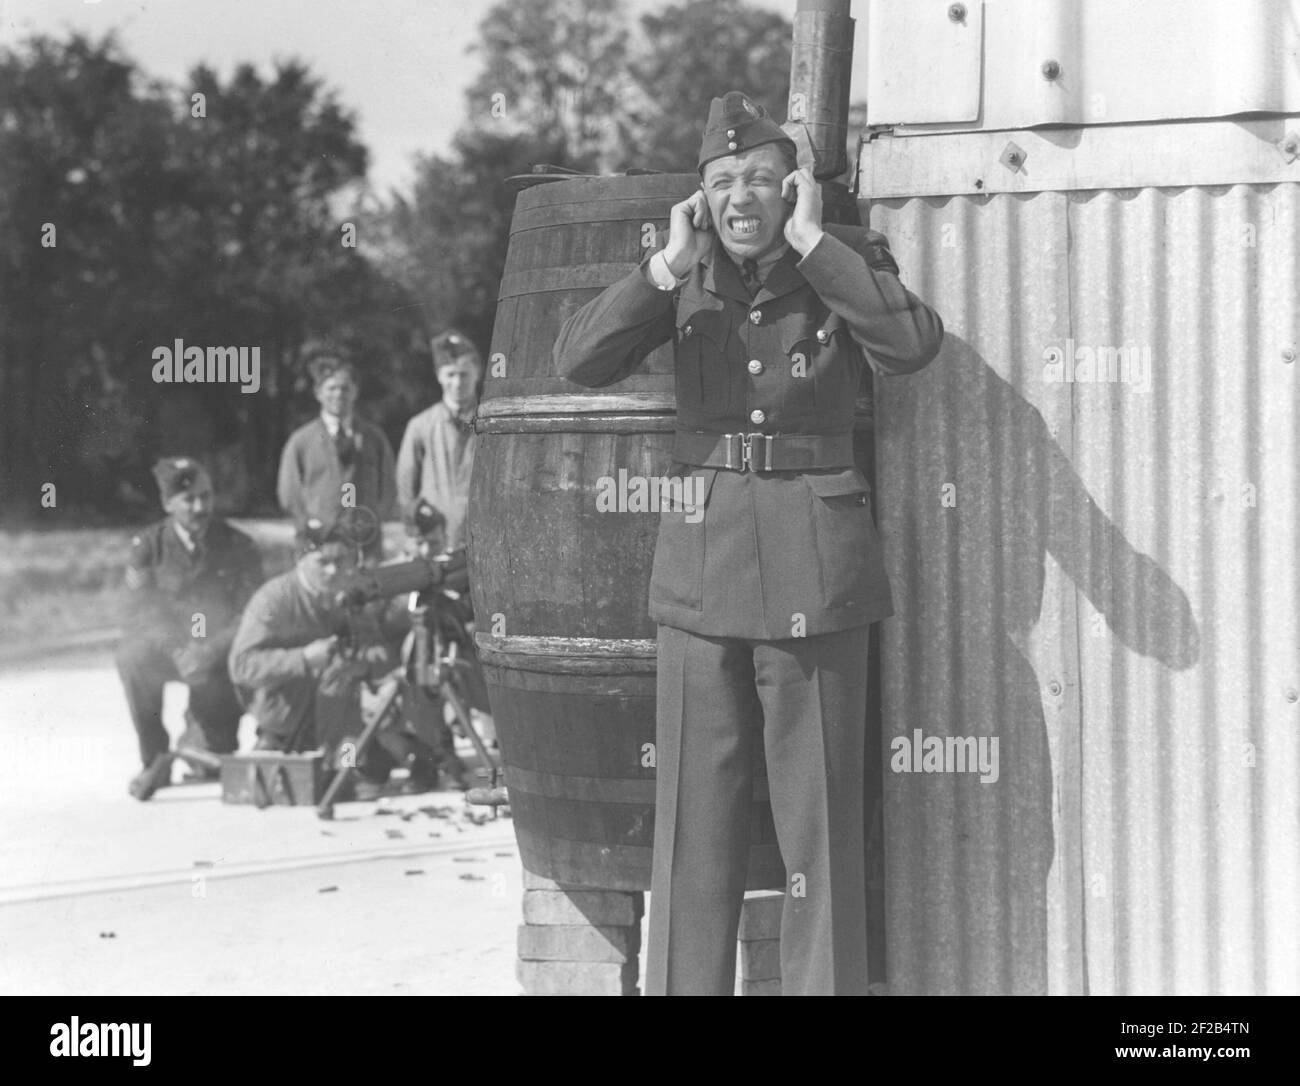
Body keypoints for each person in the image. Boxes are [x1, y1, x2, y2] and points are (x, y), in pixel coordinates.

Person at [553, 91, 944, 995]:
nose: (741, 197)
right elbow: (577, 360)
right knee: (694, 830)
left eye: (761, 180)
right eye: (723, 181)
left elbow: (913, 344)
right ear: (700, 195)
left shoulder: (839, 264)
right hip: (700, 569)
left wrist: (817, 244)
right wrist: (662, 267)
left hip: (818, 563)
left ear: (791, 189)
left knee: (822, 834)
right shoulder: (679, 274)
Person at [227, 516, 447, 791]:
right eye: (322, 562)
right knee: (348, 767)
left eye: (341, 561)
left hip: (338, 705)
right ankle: (317, 753)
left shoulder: (347, 593)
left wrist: (366, 666)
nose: (333, 571)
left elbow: (375, 648)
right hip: (286, 707)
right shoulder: (274, 600)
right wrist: (304, 658)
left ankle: (373, 756)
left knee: (373, 765)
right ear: (300, 559)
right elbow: (242, 666)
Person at [117, 457, 263, 800]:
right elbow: (140, 611)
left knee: (210, 763)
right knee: (131, 657)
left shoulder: (239, 545)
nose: (200, 507)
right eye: (189, 500)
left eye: (206, 496)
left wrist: (209, 651)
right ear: (167, 503)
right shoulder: (147, 547)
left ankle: (200, 737)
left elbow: (252, 612)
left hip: (220, 658)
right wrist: (180, 650)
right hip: (174, 653)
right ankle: (154, 757)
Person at [276, 354, 397, 561]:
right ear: (318, 393)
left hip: (364, 543)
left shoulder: (372, 437)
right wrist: (308, 523)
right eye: (332, 388)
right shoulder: (302, 440)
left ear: (355, 392)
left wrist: (374, 520)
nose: (339, 394)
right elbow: (288, 492)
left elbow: (388, 486)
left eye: (345, 388)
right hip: (318, 542)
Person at [395, 329, 480, 553]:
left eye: (464, 374)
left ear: (477, 373)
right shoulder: (420, 425)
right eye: (451, 374)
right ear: (439, 375)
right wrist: (416, 530)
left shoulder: (491, 423)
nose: (458, 382)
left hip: (481, 534)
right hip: (435, 538)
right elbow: (406, 486)